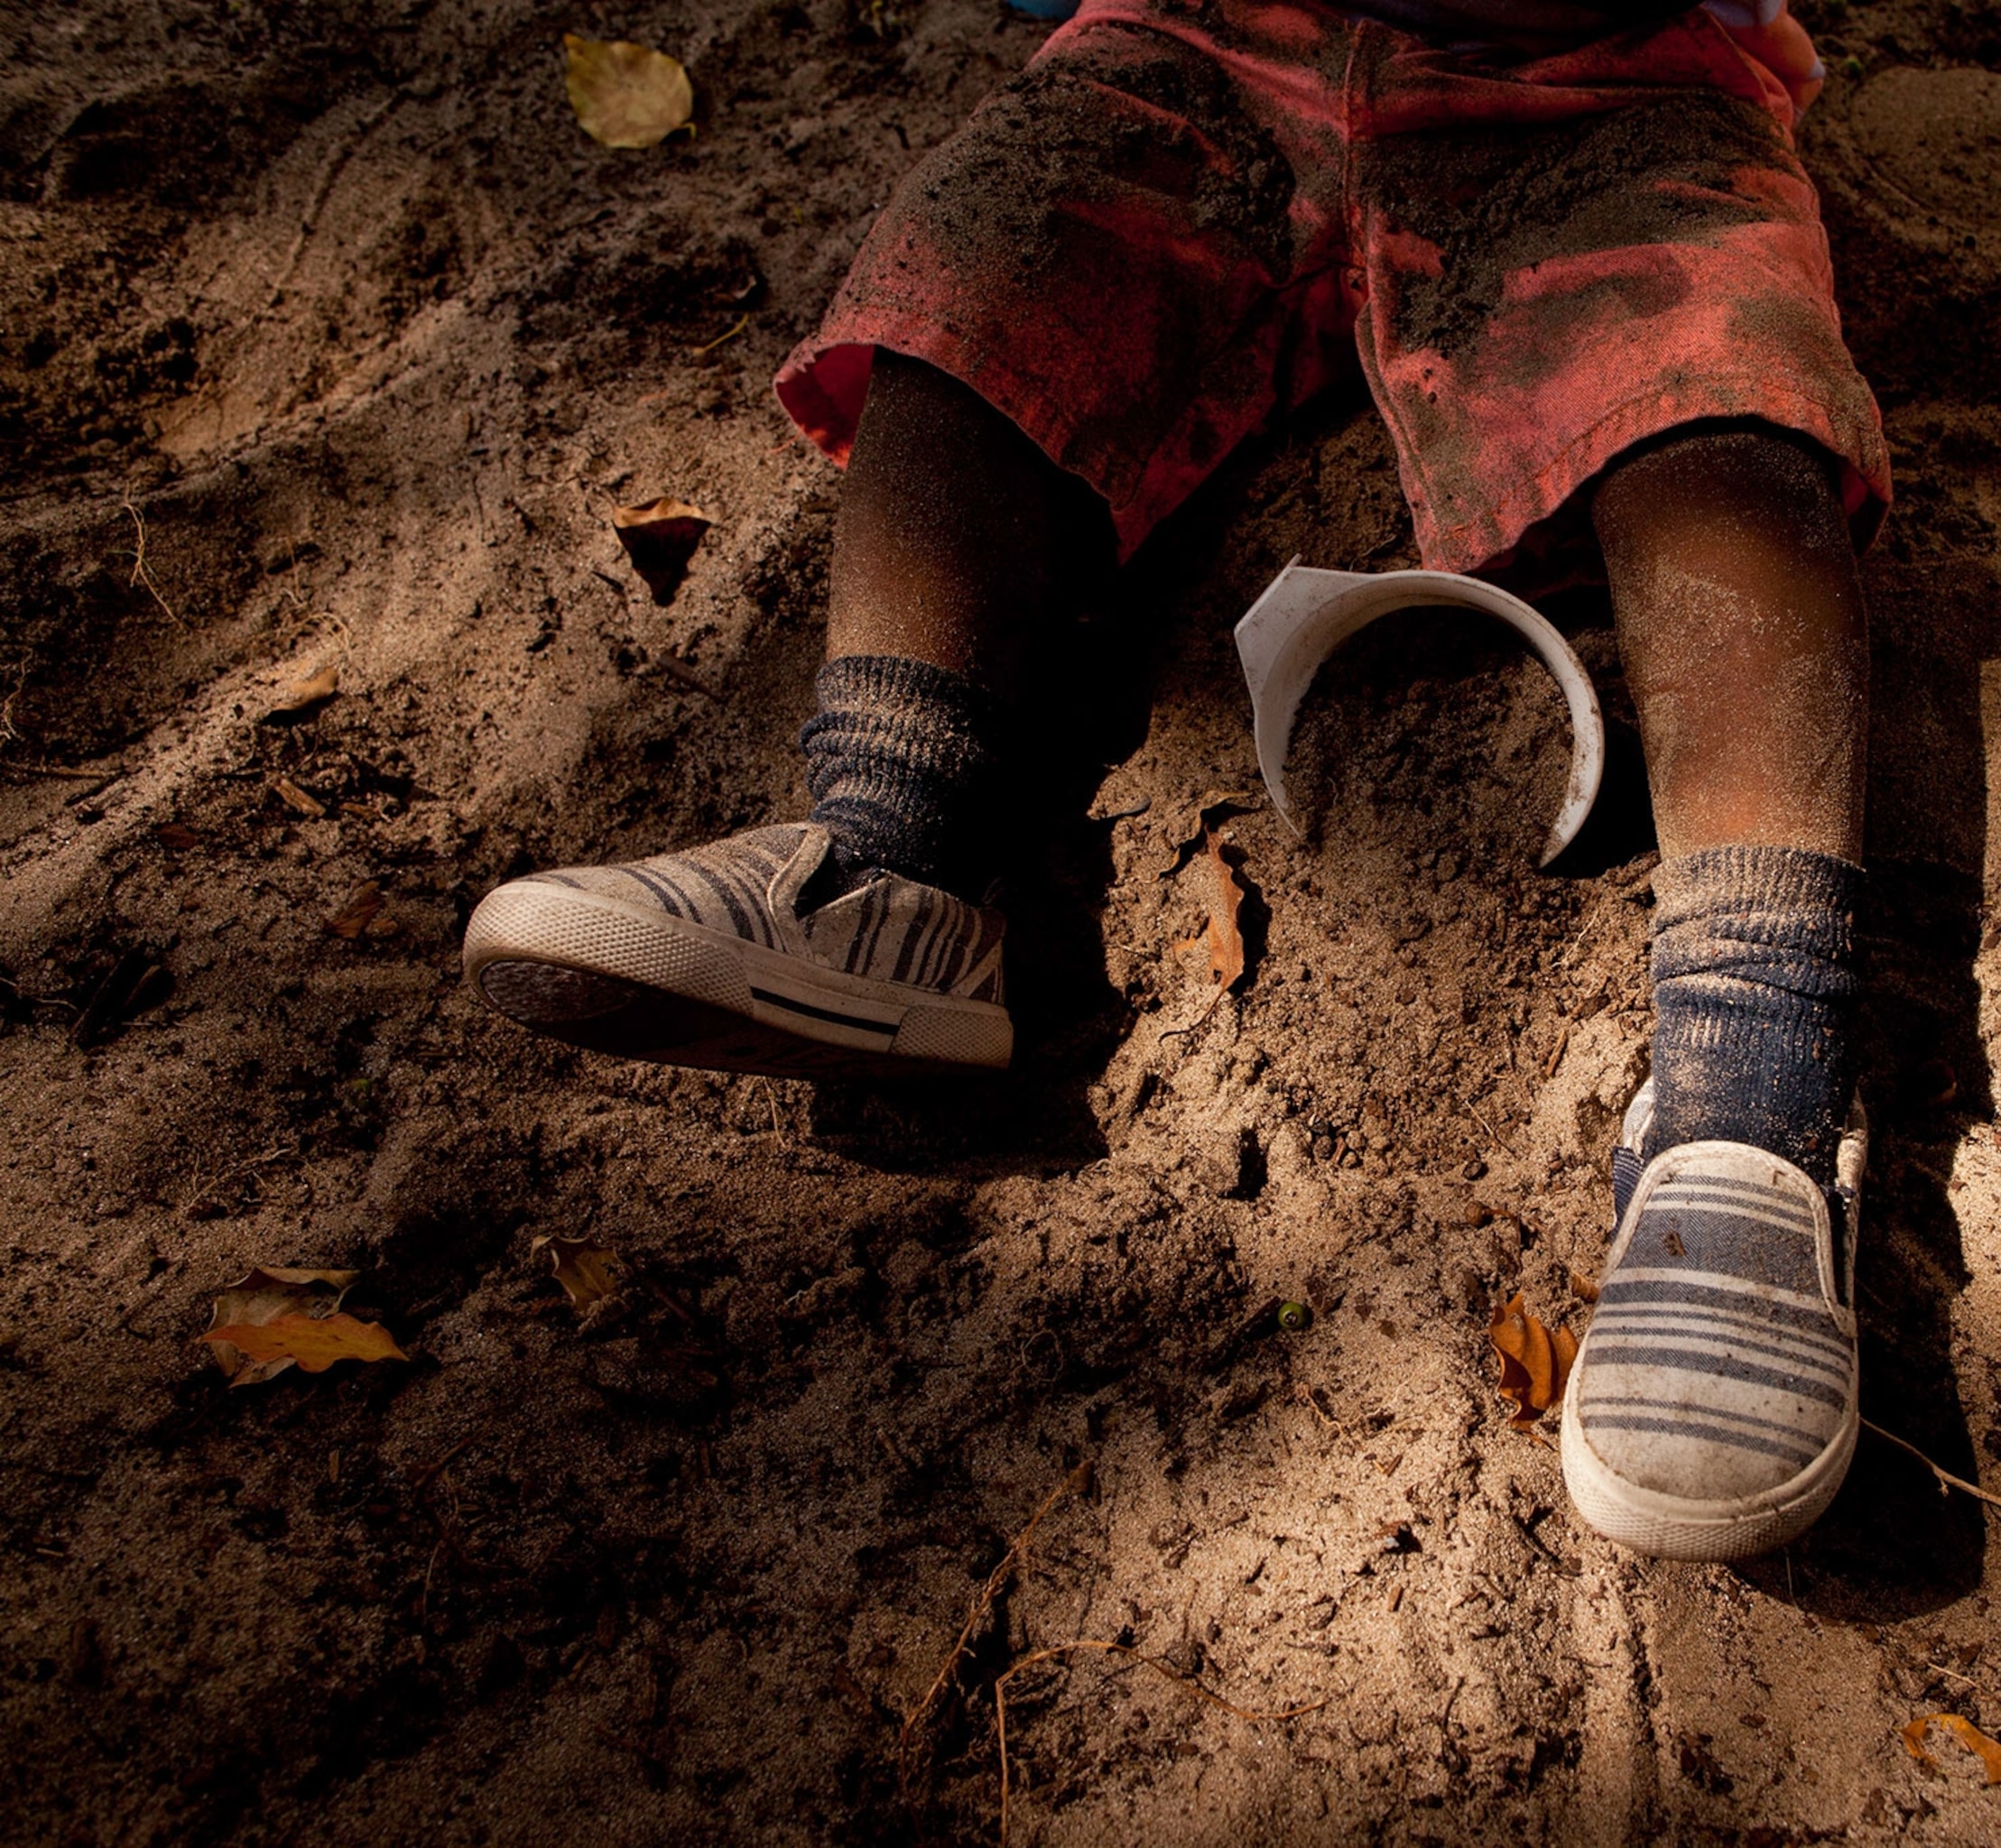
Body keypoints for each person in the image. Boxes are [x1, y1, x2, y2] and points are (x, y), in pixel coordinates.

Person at [463, 0, 1889, 1562]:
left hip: (1608, 70)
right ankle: (882, 862)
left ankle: (1750, 1092)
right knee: (983, 279)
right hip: (1209, 36)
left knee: (1718, 397)